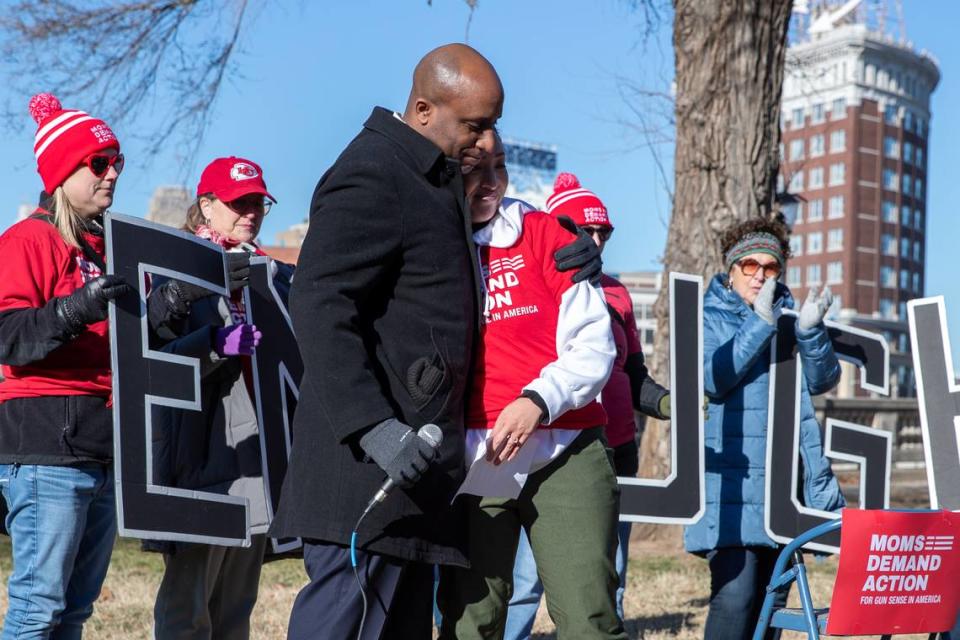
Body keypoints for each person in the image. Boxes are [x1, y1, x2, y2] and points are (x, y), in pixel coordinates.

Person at [269, 44, 601, 640]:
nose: (487, 142)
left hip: (419, 482)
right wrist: (373, 426)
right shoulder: (371, 171)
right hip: (366, 477)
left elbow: (494, 218)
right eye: (476, 125)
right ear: (424, 109)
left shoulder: (432, 174)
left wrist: (564, 243)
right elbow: (319, 303)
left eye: (493, 125)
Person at [436, 139, 625, 640]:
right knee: (467, 620)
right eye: (476, 170)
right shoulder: (426, 241)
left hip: (565, 445)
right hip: (477, 457)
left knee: (590, 620)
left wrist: (536, 400)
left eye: (500, 167)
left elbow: (594, 346)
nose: (492, 182)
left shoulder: (543, 234)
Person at [503, 173, 671, 638]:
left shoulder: (618, 293)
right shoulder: (534, 280)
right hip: (556, 450)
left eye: (604, 232)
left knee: (609, 570)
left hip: (617, 448)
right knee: (526, 578)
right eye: (585, 229)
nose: (595, 239)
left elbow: (633, 377)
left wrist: (669, 404)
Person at [0, 93, 132, 638]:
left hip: (98, 446)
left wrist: (165, 314)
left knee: (75, 610)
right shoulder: (27, 239)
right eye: (98, 164)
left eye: (117, 162)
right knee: (38, 609)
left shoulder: (108, 250)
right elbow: (8, 338)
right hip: (44, 445)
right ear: (62, 171)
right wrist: (77, 307)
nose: (112, 174)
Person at [145, 156, 290, 640]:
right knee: (189, 607)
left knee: (236, 606)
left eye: (258, 203)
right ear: (206, 205)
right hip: (201, 457)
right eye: (237, 202)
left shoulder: (267, 273)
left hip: (256, 454)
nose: (250, 212)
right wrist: (212, 343)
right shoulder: (173, 265)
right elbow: (154, 348)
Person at [684, 217, 845, 640]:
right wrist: (759, 321)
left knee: (771, 605)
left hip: (783, 487)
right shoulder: (709, 313)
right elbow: (713, 377)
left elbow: (822, 381)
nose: (759, 275)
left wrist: (809, 332)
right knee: (734, 598)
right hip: (733, 489)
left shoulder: (789, 316)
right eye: (750, 265)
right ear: (731, 268)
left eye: (769, 267)